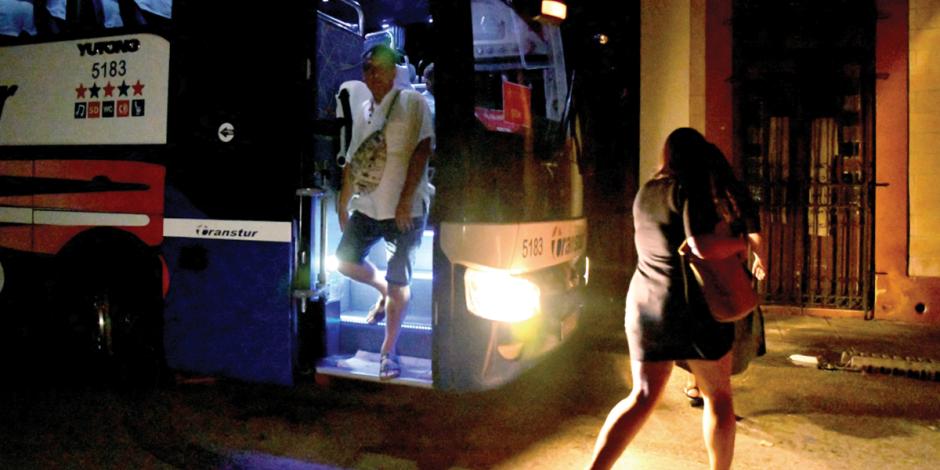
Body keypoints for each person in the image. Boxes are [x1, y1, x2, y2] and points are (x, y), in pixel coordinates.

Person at [589, 128, 765, 470]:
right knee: (719, 397)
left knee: (640, 397)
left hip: (645, 305)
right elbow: (700, 245)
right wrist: (744, 245)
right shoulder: (690, 190)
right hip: (692, 309)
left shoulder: (645, 192)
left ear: (667, 154)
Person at [335, 43, 434, 380]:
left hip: (406, 210)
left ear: (394, 71)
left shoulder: (413, 102)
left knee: (399, 280)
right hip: (368, 205)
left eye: (380, 67)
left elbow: (423, 151)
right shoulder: (363, 107)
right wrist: (343, 200)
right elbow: (354, 158)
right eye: (368, 68)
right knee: (344, 261)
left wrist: (406, 199)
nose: (373, 74)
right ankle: (381, 290)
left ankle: (387, 351)